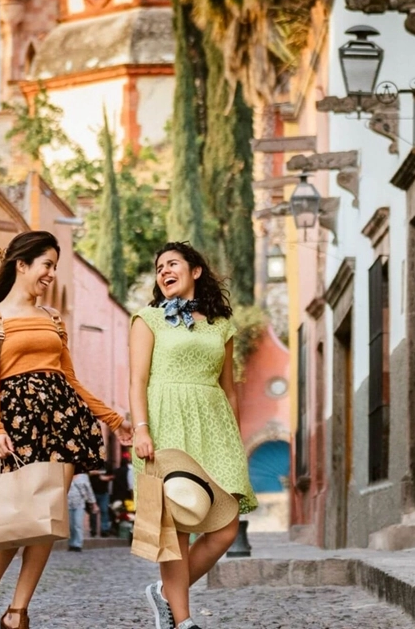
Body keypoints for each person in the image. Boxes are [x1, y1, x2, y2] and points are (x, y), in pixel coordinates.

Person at [0, 230, 132, 629]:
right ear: (21, 264)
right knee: (18, 512)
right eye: (47, 265)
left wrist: (113, 420)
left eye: (55, 267)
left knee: (48, 514)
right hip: (18, 423)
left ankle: (17, 611)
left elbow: (71, 379)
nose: (51, 274)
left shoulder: (53, 318)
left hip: (62, 422)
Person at [130, 241, 258, 629]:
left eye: (172, 264)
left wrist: (235, 436)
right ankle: (182, 621)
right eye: (159, 268)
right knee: (177, 526)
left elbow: (229, 387)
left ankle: (166, 594)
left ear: (195, 271)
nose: (164, 271)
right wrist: (141, 429)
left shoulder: (222, 325)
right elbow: (137, 380)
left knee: (225, 525)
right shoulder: (147, 319)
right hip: (166, 421)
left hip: (214, 424)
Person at [68, 472, 97, 551]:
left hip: (79, 504)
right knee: (71, 525)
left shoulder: (83, 476)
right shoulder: (65, 474)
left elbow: (89, 490)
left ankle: (78, 544)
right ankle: (71, 543)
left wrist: (93, 503)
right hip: (67, 504)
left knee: (77, 524)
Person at [88, 463, 114, 537]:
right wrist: (94, 472)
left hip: (104, 492)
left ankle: (104, 530)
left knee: (104, 510)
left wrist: (106, 478)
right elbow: (85, 473)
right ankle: (93, 530)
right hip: (92, 492)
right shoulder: (91, 463)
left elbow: (113, 476)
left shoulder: (107, 465)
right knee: (93, 512)